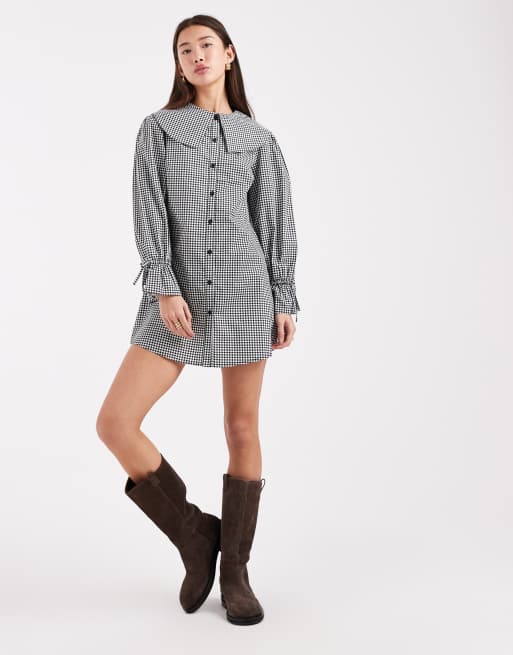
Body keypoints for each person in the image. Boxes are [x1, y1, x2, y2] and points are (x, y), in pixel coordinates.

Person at [96, 14, 300, 626]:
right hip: (177, 299)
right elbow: (147, 211)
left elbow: (275, 222)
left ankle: (235, 570)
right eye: (185, 50)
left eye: (206, 45)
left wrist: (284, 298)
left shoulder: (259, 140)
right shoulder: (158, 129)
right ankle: (193, 534)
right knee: (115, 423)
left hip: (245, 292)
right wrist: (163, 286)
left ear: (229, 55)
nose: (196, 56)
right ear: (178, 64)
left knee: (241, 427)